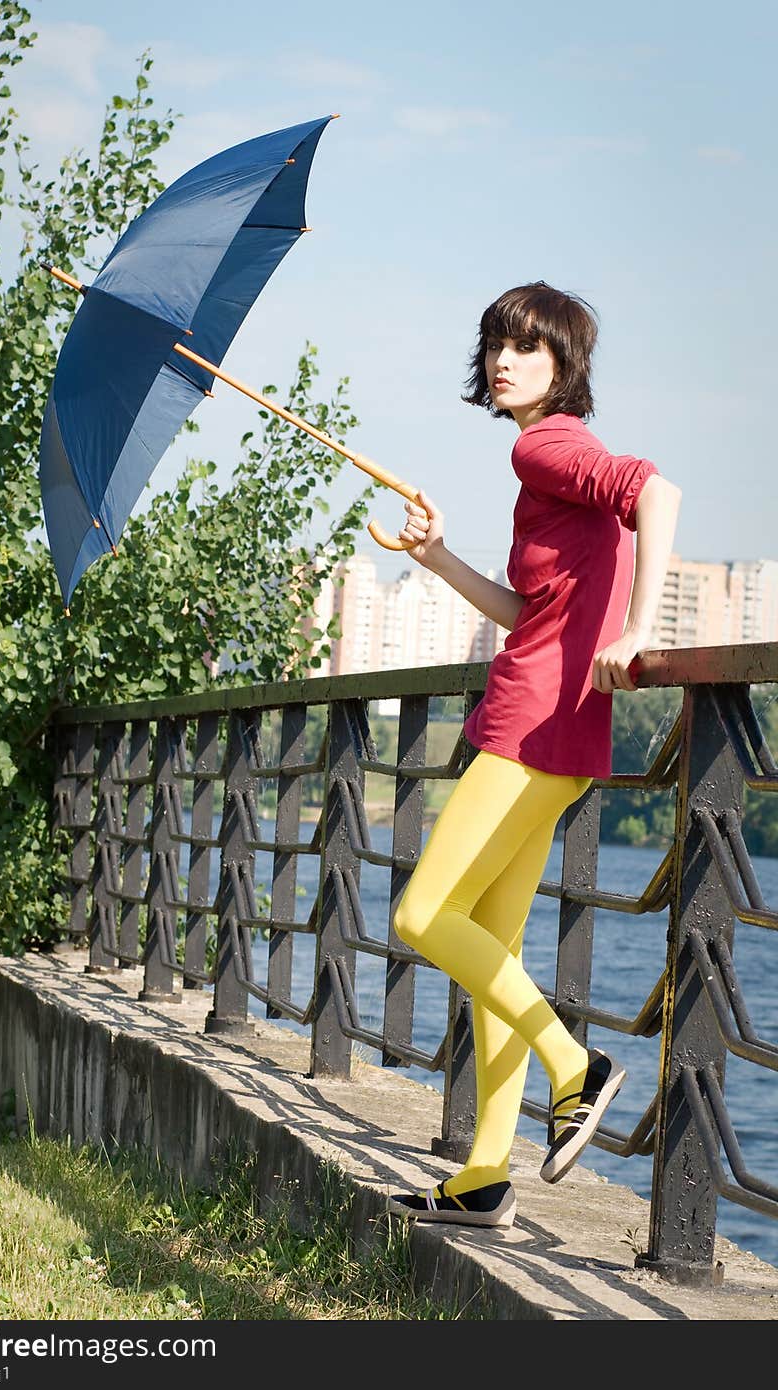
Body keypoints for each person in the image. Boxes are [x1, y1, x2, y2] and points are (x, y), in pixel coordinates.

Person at [386, 281, 681, 1228]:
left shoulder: (543, 444)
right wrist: (438, 560)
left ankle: (576, 1067)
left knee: (424, 915)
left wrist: (638, 631)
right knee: (493, 950)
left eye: (527, 347)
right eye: (494, 346)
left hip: (528, 727)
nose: (502, 361)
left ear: (563, 367)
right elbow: (533, 614)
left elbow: (658, 492)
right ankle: (484, 1175)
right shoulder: (558, 462)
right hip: (564, 733)